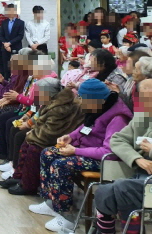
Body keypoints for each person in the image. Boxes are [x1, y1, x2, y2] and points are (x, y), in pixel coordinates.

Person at [31, 78, 132, 232]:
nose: (79, 102)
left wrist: (75, 151)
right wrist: (70, 137)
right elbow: (86, 127)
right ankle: (51, 202)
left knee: (61, 166)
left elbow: (110, 152)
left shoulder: (118, 118)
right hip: (88, 151)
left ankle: (67, 217)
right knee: (48, 153)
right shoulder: (99, 109)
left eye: (82, 98)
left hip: (108, 163)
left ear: (94, 100)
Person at [2, 79, 83, 195]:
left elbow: (50, 132)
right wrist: (32, 130)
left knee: (34, 148)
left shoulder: (59, 108)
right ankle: (19, 176)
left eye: (39, 92)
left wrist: (32, 133)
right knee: (26, 142)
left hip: (58, 138)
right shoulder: (53, 102)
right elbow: (41, 121)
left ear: (48, 93)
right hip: (53, 135)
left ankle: (29, 185)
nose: (36, 95)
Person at [94, 78, 152, 234]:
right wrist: (137, 158)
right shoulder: (142, 118)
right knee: (104, 191)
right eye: (145, 98)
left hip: (146, 181)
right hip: (141, 176)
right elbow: (117, 139)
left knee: (123, 187)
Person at [0, 4, 25, 79]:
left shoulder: (21, 22)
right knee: (6, 66)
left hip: (16, 47)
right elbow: (1, 35)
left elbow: (20, 36)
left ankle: (15, 82)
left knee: (16, 67)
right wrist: (6, 45)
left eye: (12, 10)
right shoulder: (4, 22)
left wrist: (9, 43)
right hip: (5, 48)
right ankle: (6, 82)